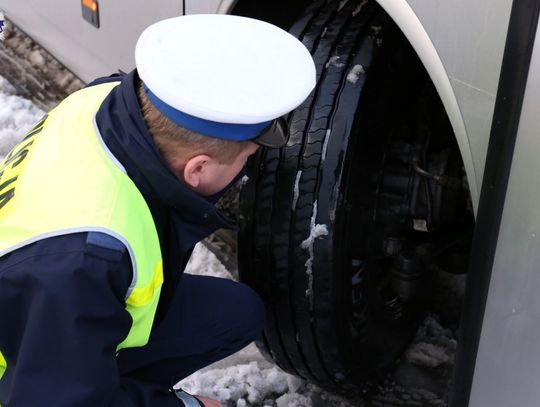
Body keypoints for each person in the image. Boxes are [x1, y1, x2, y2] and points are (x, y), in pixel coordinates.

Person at [0, 14, 315, 406]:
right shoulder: (88, 257)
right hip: (19, 372)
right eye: (248, 156)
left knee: (235, 313)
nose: (248, 167)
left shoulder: (103, 100)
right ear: (197, 169)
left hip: (40, 313)